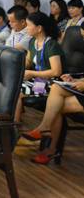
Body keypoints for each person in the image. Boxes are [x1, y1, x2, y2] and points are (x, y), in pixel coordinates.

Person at [23, 26, 84, 164]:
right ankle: (45, 131)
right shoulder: (32, 42)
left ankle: (49, 143)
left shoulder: (51, 44)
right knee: (56, 90)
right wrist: (76, 79)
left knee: (55, 107)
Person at [15, 12, 63, 122]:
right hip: (38, 79)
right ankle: (12, 121)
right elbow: (28, 61)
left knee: (16, 91)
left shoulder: (51, 45)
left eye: (29, 25)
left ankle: (14, 124)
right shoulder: (33, 41)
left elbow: (56, 71)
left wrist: (32, 73)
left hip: (51, 82)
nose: (26, 28)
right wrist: (16, 68)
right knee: (12, 84)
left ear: (39, 28)